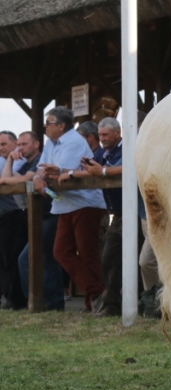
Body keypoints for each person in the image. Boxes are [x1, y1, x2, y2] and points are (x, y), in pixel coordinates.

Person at [32, 106, 108, 312]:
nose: (45, 127)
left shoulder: (73, 141)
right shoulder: (51, 142)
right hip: (65, 204)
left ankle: (95, 301)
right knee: (62, 251)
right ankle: (98, 295)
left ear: (61, 126)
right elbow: (42, 168)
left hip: (85, 203)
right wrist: (38, 177)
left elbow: (58, 174)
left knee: (87, 253)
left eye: (49, 123)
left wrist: (43, 175)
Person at [65, 117, 123, 316]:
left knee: (121, 258)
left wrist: (102, 171)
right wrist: (71, 173)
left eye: (106, 135)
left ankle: (122, 302)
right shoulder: (106, 153)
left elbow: (125, 169)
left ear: (118, 133)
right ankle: (112, 304)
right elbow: (92, 172)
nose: (102, 138)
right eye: (100, 135)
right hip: (114, 212)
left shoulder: (124, 150)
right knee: (108, 258)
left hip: (129, 211)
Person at [10, 132, 66, 310]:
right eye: (18, 145)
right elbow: (7, 180)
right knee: (48, 259)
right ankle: (51, 304)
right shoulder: (26, 163)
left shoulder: (40, 160)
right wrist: (11, 160)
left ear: (36, 144)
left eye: (24, 144)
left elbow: (11, 180)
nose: (20, 148)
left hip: (50, 214)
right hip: (39, 216)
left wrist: (10, 178)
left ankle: (39, 302)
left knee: (27, 259)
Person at [0, 130, 27, 309]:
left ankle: (14, 298)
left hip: (13, 214)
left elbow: (8, 180)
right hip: (6, 214)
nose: (0, 148)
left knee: (11, 258)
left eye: (3, 144)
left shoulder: (17, 161)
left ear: (15, 143)